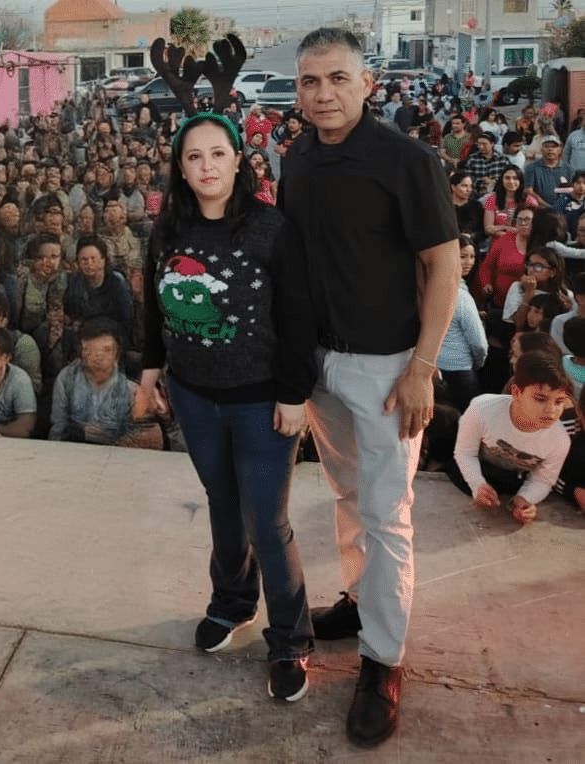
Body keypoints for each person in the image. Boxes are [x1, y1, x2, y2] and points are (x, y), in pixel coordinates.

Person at [277, 28, 460, 746]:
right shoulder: (297, 158)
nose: (323, 93)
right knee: (349, 495)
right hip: (320, 364)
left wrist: (421, 367)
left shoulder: (407, 160)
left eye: (337, 78)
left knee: (388, 514)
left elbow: (444, 267)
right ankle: (360, 600)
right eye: (309, 81)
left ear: (367, 84)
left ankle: (383, 660)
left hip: (387, 369)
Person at [137, 57, 316, 701]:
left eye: (218, 153)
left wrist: (294, 394)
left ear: (239, 160)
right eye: (194, 157)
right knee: (222, 506)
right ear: (180, 168)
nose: (207, 166)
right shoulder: (167, 229)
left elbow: (299, 320)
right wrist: (150, 371)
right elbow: (153, 307)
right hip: (194, 397)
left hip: (261, 403)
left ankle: (290, 640)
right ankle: (233, 604)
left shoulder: (271, 230)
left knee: (267, 521)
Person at [449, 350, 571, 525]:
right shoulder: (482, 409)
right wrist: (477, 485)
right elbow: (465, 453)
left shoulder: (560, 440)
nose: (551, 410)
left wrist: (525, 499)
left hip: (515, 481)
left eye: (559, 401)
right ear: (516, 392)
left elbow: (543, 479)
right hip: (474, 469)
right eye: (540, 399)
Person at [50, 317, 159, 448]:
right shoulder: (67, 378)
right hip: (73, 449)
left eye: (106, 350)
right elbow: (58, 425)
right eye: (91, 350)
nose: (99, 357)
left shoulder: (132, 389)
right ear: (82, 352)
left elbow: (145, 437)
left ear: (117, 353)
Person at [437, 235, 488, 411]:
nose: (469, 262)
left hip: (437, 367)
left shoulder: (432, 289)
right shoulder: (461, 297)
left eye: (472, 257)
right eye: (463, 256)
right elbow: (479, 344)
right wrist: (478, 363)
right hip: (460, 371)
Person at [483, 166, 539, 240]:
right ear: (501, 180)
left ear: (520, 181)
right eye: (507, 178)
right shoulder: (492, 199)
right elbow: (488, 229)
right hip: (499, 240)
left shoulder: (529, 200)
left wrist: (500, 230)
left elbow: (535, 228)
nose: (511, 181)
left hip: (523, 241)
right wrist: (506, 229)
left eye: (515, 178)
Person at [524, 135, 573, 207]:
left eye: (554, 146)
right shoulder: (532, 167)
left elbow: (573, 190)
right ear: (541, 149)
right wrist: (547, 206)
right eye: (546, 146)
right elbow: (528, 190)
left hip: (563, 209)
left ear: (560, 149)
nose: (550, 149)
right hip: (540, 209)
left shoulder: (568, 169)